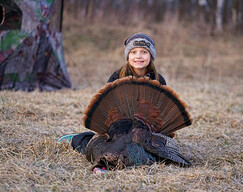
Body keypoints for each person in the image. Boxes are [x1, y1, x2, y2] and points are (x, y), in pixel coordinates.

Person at [57, 32, 167, 174]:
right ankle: (80, 142)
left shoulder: (158, 79)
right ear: (128, 55)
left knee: (157, 153)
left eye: (144, 52)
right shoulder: (117, 76)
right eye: (133, 52)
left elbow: (161, 109)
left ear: (151, 55)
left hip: (144, 129)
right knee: (112, 145)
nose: (138, 56)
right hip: (120, 126)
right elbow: (108, 105)